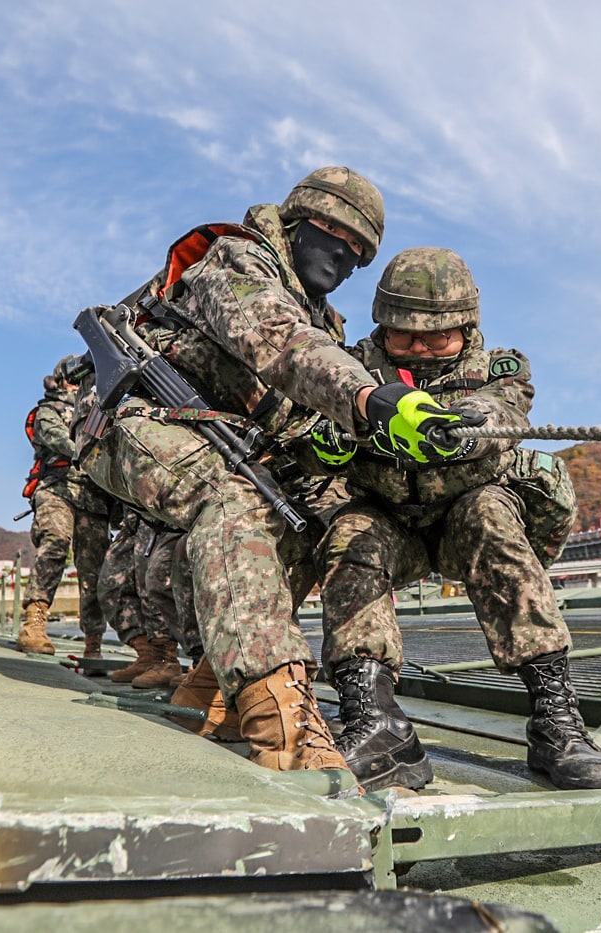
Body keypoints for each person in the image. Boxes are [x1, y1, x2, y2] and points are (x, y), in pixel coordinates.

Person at [78, 167, 476, 776]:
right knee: (231, 501)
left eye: (359, 252)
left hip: (223, 435)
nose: (344, 257)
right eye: (336, 236)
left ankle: (211, 688)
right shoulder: (237, 260)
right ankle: (283, 727)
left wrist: (344, 444)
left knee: (321, 515)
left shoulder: (328, 322)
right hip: (134, 418)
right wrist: (369, 398)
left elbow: (298, 417)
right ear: (299, 222)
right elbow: (280, 343)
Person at [309, 246, 601, 792]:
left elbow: (507, 409)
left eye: (436, 336)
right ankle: (375, 722)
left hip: (464, 522)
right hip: (388, 523)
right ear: (382, 323)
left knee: (490, 514)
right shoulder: (351, 369)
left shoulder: (498, 367)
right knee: (350, 533)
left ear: (465, 326)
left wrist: (468, 426)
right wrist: (326, 440)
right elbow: (307, 427)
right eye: (404, 335)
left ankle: (556, 722)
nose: (419, 347)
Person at [19, 356, 112, 655]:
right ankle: (34, 623)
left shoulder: (99, 410)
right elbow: (59, 439)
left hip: (92, 496)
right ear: (60, 381)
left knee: (94, 568)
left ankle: (94, 641)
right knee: (55, 542)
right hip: (57, 488)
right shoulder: (49, 411)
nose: (77, 385)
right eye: (73, 379)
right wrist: (92, 451)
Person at [98, 508, 186, 688]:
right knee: (111, 583)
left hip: (159, 514)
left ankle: (165, 660)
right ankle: (147, 655)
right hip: (133, 515)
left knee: (153, 583)